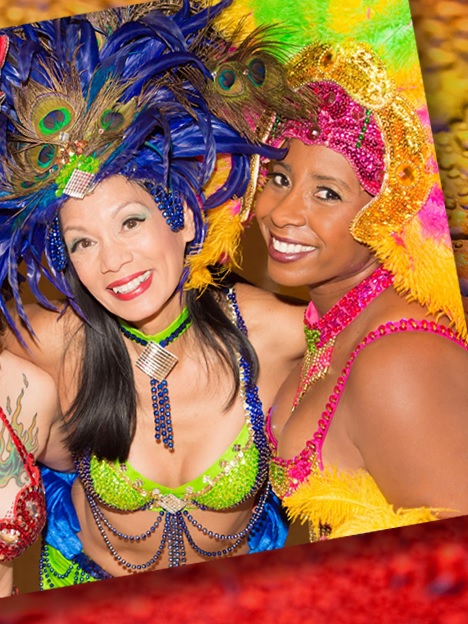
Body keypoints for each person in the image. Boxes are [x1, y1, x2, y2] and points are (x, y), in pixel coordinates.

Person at [0, 2, 311, 589]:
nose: (112, 262)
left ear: (184, 220)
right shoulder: (55, 341)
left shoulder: (272, 332)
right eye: (83, 242)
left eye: (131, 222)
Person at [254, 40, 468, 542]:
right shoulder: (332, 322)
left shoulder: (400, 361)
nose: (283, 212)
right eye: (280, 178)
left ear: (387, 210)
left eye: (327, 193)